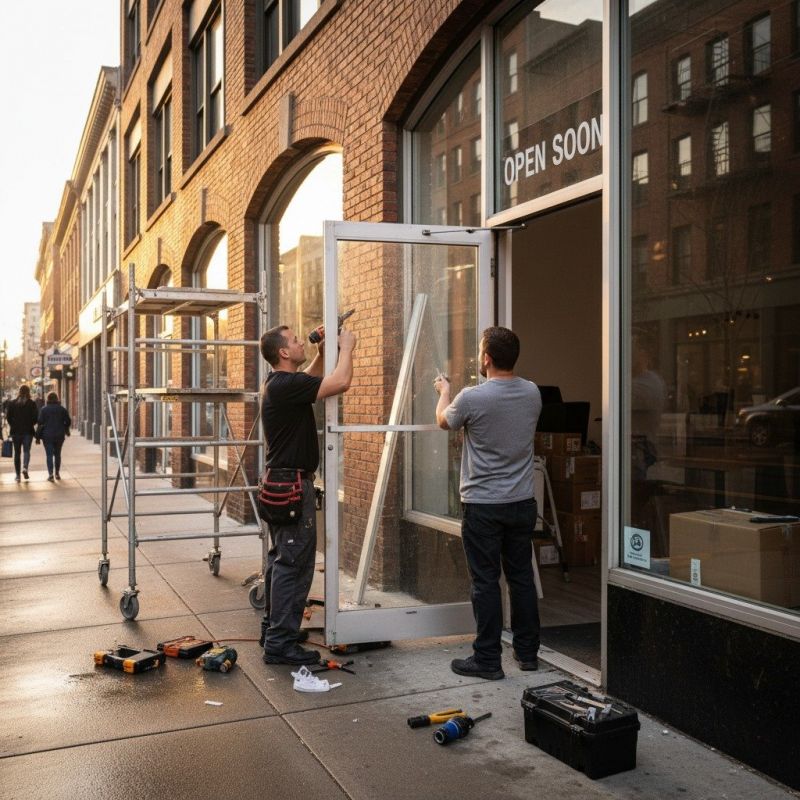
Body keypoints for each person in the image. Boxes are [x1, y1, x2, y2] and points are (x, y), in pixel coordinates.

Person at [434, 326, 542, 680]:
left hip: (483, 504)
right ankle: (527, 654)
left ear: (487, 359)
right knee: (521, 578)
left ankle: (487, 660)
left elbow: (443, 421)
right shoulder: (532, 393)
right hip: (522, 501)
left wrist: (443, 391)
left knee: (485, 582)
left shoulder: (471, 397)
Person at [258, 322, 356, 666]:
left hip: (280, 483)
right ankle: (280, 644)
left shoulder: (282, 383)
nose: (302, 341)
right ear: (283, 352)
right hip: (290, 487)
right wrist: (347, 347)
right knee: (293, 565)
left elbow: (312, 382)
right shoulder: (284, 384)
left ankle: (275, 629)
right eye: (296, 341)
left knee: (280, 560)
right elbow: (340, 382)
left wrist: (320, 353)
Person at [36, 391, 71, 482]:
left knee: (49, 455)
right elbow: (68, 421)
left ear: (48, 399)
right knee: (58, 454)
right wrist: (65, 427)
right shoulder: (62, 409)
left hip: (47, 435)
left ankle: (50, 474)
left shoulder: (44, 409)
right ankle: (57, 473)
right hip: (59, 435)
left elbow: (39, 422)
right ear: (57, 399)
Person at [6, 385, 38, 482]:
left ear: (19, 392)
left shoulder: (12, 403)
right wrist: (30, 424)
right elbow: (35, 418)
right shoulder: (32, 403)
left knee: (17, 453)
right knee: (27, 451)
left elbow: (8, 417)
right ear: (28, 392)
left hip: (16, 432)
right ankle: (25, 467)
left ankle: (17, 476)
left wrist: (13, 425)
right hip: (28, 431)